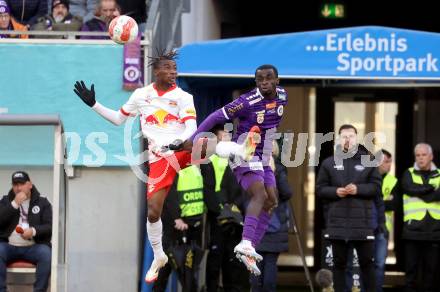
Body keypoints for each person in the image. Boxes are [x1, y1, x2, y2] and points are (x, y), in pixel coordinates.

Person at [73, 50, 199, 284]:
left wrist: (180, 142)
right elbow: (118, 119)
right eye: (169, 68)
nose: (173, 72)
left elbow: (192, 126)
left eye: (175, 69)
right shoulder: (141, 95)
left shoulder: (183, 97)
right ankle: (159, 256)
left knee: (206, 143)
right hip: (159, 159)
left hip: (181, 150)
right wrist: (93, 104)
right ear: (157, 71)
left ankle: (239, 150)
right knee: (153, 211)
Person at [178, 64, 289, 275]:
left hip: (263, 154)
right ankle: (245, 242)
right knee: (259, 194)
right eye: (259, 79)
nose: (264, 82)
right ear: (256, 82)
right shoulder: (246, 101)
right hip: (244, 153)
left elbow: (271, 124)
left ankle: (249, 249)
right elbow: (214, 117)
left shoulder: (283, 96)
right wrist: (193, 138)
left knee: (272, 200)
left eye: (268, 78)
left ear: (277, 81)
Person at [316, 124, 381, 292]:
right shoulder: (328, 163)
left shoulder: (369, 161)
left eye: (351, 136)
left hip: (363, 224)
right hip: (338, 224)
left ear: (356, 139)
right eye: (344, 136)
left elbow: (376, 187)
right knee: (339, 265)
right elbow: (320, 189)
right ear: (338, 139)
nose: (347, 139)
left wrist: (359, 189)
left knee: (367, 264)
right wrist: (335, 191)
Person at [202, 125, 249, 292]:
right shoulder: (209, 160)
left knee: (233, 256)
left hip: (235, 216)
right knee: (215, 257)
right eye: (224, 135)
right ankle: (212, 287)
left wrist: (236, 210)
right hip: (218, 215)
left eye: (229, 135)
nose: (227, 137)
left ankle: (231, 287)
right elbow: (208, 189)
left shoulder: (237, 158)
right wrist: (220, 210)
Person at [153, 164, 208, 292]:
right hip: (176, 228)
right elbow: (169, 194)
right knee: (169, 268)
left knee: (187, 271)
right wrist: (176, 218)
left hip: (191, 227)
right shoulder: (173, 167)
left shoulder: (195, 168)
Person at [250, 140, 293, 292]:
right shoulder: (279, 170)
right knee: (270, 264)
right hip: (274, 223)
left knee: (254, 264)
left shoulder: (249, 169)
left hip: (254, 224)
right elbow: (287, 193)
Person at [0, 171, 52, 292]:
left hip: (33, 246)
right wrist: (14, 204)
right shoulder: (5, 201)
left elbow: (49, 226)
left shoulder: (43, 202)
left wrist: (33, 231)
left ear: (30, 185)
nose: (18, 188)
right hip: (9, 246)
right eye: (15, 185)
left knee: (46, 254)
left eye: (21, 184)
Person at [400, 143, 440, 292]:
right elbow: (408, 188)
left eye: (424, 155)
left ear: (431, 156)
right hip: (413, 231)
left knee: (432, 273)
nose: (421, 158)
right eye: (418, 155)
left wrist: (420, 192)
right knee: (410, 272)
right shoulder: (408, 173)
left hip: (435, 231)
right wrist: (430, 189)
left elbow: (435, 196)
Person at [374, 149, 398, 292]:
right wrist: (384, 201)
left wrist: (377, 203)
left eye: (390, 161)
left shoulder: (393, 181)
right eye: (385, 161)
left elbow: (395, 204)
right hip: (366, 228)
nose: (388, 164)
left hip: (383, 229)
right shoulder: (367, 178)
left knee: (380, 264)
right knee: (364, 264)